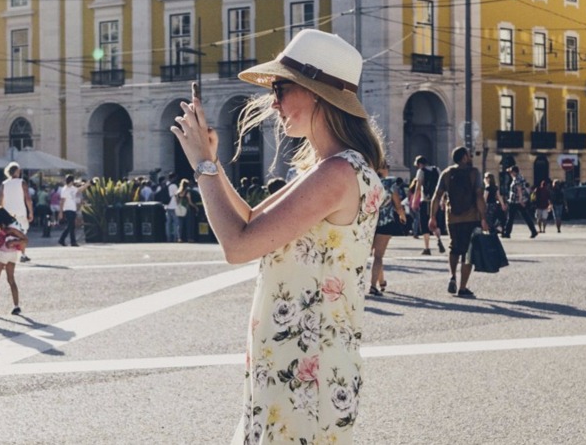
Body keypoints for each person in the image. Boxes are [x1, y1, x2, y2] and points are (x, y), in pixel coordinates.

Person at [168, 28, 384, 444]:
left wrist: (201, 167)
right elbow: (249, 218)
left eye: (282, 88)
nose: (273, 102)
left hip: (307, 370)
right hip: (293, 360)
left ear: (317, 94)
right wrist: (213, 161)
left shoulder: (337, 174)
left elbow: (238, 245)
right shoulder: (330, 168)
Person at [432, 146, 485, 298]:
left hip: (452, 218)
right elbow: (479, 196)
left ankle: (452, 276)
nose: (470, 157)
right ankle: (462, 287)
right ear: (463, 158)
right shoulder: (474, 173)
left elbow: (437, 196)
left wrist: (432, 216)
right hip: (471, 217)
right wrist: (484, 218)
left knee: (454, 248)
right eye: (468, 155)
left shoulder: (447, 173)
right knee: (468, 253)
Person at [370, 171, 408, 297]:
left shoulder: (367, 180)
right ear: (384, 168)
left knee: (375, 255)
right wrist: (402, 216)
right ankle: (373, 286)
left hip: (368, 223)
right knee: (378, 256)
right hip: (385, 222)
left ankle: (381, 282)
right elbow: (397, 205)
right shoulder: (389, 183)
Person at [0, 206, 27, 315]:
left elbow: (25, 239)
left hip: (4, 253)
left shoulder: (9, 229)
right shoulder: (14, 224)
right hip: (13, 254)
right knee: (11, 280)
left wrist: (12, 243)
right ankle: (16, 306)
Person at [409, 156, 444, 254]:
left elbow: (418, 187)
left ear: (419, 164)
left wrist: (414, 201)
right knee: (435, 222)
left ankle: (427, 248)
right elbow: (441, 185)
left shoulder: (421, 171)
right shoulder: (437, 169)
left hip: (425, 200)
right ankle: (438, 239)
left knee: (424, 224)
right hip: (436, 201)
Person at [0, 163, 32, 260]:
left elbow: (1, 200)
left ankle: (11, 254)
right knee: (23, 235)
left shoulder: (3, 184)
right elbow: (28, 199)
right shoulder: (22, 182)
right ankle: (22, 254)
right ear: (17, 171)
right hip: (20, 212)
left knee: (9, 234)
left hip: (7, 213)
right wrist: (31, 212)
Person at [56, 174, 84, 247]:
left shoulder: (72, 188)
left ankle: (63, 239)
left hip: (72, 208)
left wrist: (87, 184)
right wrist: (61, 212)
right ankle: (72, 241)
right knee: (71, 225)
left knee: (71, 226)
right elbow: (62, 201)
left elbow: (79, 189)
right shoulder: (65, 190)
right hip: (67, 209)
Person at [163, 171, 186, 242]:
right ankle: (177, 238)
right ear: (174, 177)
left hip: (167, 206)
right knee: (176, 223)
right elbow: (176, 196)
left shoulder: (166, 184)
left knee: (168, 223)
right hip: (174, 206)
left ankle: (168, 238)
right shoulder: (174, 186)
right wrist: (178, 203)